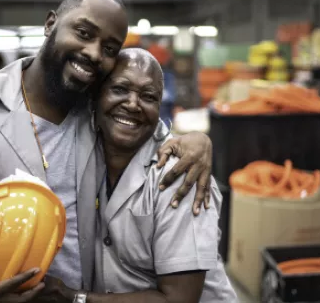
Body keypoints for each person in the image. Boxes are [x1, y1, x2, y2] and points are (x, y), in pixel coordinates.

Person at [0, 0, 214, 303]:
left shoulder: (99, 112)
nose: (93, 52)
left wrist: (198, 142)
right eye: (84, 32)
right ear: (51, 24)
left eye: (109, 48)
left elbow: (149, 129)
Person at [42, 48, 237, 302]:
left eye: (148, 96)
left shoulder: (179, 175)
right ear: (96, 98)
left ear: (159, 108)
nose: (133, 104)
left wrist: (75, 298)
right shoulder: (86, 152)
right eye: (120, 90)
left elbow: (178, 299)